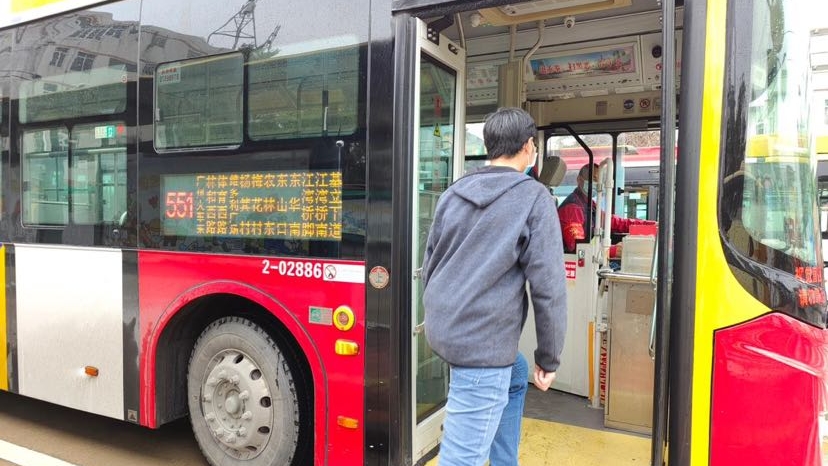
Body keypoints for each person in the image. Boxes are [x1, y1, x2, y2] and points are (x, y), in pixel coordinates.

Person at [422, 107, 567, 466]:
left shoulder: (454, 192)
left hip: (448, 329)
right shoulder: (534, 197)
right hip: (482, 345)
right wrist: (549, 359)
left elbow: (431, 262)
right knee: (462, 457)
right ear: (528, 147)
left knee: (516, 373)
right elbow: (548, 288)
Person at [558, 162, 655, 257]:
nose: (596, 184)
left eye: (598, 180)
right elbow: (578, 247)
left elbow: (616, 223)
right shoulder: (572, 208)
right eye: (593, 179)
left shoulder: (589, 205)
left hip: (590, 260)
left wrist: (651, 225)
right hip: (576, 263)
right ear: (579, 180)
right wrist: (611, 250)